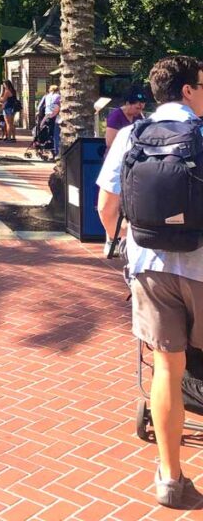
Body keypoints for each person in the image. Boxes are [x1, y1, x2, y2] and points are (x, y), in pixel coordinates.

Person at [97, 55, 203, 507]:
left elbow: (106, 204)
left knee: (165, 366)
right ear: (186, 90)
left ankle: (170, 477)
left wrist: (118, 245)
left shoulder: (129, 135)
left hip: (150, 265)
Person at [43, 83, 61, 156]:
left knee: (50, 133)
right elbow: (58, 107)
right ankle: (56, 151)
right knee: (56, 134)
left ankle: (50, 149)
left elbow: (42, 106)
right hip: (55, 116)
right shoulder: (58, 96)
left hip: (47, 116)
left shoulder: (46, 96)